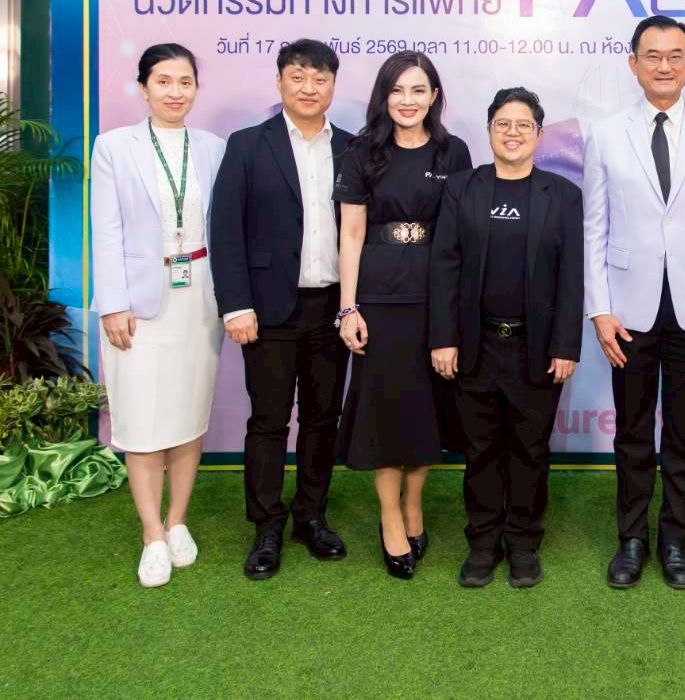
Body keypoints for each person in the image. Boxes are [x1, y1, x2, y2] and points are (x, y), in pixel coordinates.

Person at [583, 15, 685, 590]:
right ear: (633, 63)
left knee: (684, 433)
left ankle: (676, 539)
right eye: (652, 55)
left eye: (676, 55)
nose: (664, 66)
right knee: (631, 432)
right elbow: (595, 227)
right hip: (627, 309)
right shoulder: (605, 133)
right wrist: (600, 309)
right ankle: (631, 538)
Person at [210, 39, 354, 580]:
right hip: (268, 310)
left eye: (320, 78)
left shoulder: (354, 149)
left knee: (322, 418)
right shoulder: (248, 145)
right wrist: (236, 306)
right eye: (298, 77)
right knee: (269, 421)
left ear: (332, 84)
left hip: (332, 309)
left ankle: (310, 516)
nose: (308, 88)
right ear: (279, 81)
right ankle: (266, 524)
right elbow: (226, 230)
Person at [430, 87, 583, 589]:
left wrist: (565, 345)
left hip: (536, 350)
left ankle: (523, 544)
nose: (512, 133)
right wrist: (444, 338)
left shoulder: (563, 195)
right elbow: (445, 266)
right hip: (475, 346)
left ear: (538, 134)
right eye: (503, 123)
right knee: (481, 452)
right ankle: (482, 543)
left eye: (523, 125)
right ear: (489, 130)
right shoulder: (462, 188)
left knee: (530, 451)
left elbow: (572, 277)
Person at [332, 51, 472, 580]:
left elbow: (460, 234)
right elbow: (351, 233)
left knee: (425, 409)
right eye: (397, 90)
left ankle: (414, 504)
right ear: (383, 96)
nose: (407, 101)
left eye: (418, 90)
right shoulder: (361, 151)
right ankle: (390, 515)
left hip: (436, 296)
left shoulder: (453, 151)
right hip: (379, 298)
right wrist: (348, 307)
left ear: (434, 96)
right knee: (385, 410)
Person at [91, 43, 226, 588]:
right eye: (164, 81)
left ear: (196, 88)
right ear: (143, 87)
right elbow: (106, 229)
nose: (175, 92)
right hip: (138, 303)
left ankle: (177, 521)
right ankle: (151, 534)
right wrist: (114, 303)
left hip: (200, 297)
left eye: (185, 82)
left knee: (188, 413)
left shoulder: (214, 148)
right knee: (142, 419)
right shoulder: (114, 146)